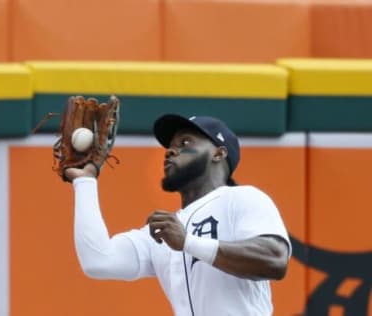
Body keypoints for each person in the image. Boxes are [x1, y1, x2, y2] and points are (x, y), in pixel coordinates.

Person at [65, 114, 291, 316]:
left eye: (185, 143)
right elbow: (98, 260)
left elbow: (275, 259)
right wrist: (85, 181)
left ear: (218, 153)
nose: (170, 151)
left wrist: (188, 242)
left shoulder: (242, 198)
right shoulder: (163, 231)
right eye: (169, 146)